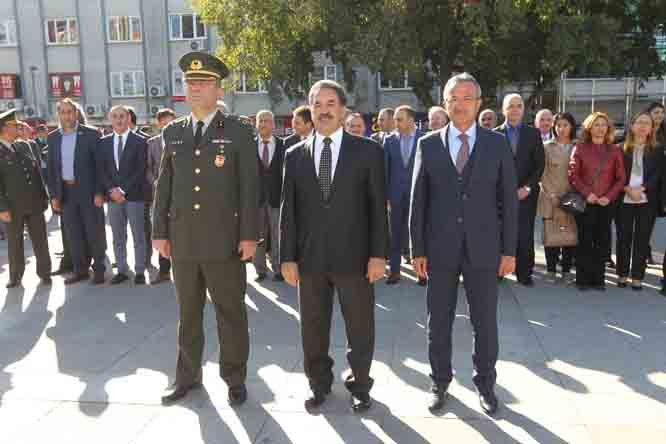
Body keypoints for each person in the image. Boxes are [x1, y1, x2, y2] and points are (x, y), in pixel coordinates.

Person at [153, 52, 258, 406]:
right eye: (190, 82)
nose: (196, 88)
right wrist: (159, 231)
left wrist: (248, 235)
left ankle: (234, 377)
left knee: (230, 312)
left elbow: (249, 189)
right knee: (188, 314)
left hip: (224, 241)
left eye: (204, 83)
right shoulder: (173, 132)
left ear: (218, 88)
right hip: (182, 241)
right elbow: (163, 186)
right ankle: (187, 376)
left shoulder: (240, 132)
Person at [410, 73, 518, 415]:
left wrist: (509, 251)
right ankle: (439, 382)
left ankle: (485, 383)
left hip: (484, 249)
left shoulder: (497, 143)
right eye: (453, 97)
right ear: (445, 103)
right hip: (439, 249)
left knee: (485, 322)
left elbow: (509, 203)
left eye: (467, 97)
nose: (460, 103)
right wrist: (418, 250)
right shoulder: (427, 143)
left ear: (479, 103)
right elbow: (418, 201)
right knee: (437, 321)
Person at [280, 79, 388, 413]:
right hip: (310, 260)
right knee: (312, 327)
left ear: (343, 110)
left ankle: (360, 384)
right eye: (317, 104)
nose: (324, 110)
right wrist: (286, 258)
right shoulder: (294, 155)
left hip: (355, 259)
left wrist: (378, 255)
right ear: (310, 110)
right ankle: (319, 384)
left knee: (360, 327)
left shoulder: (368, 151)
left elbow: (376, 209)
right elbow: (289, 211)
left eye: (330, 104)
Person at [47, 98, 107, 285]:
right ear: (59, 115)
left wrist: (99, 192)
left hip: (89, 192)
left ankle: (99, 270)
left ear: (76, 113)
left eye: (70, 111)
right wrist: (54, 196)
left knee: (94, 232)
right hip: (66, 192)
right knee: (74, 234)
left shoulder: (91, 134)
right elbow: (51, 169)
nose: (66, 115)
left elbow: (100, 166)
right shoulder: (53, 137)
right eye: (63, 112)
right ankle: (80, 270)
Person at [568, 112, 626, 291]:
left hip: (605, 203)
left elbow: (621, 178)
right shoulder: (580, 148)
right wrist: (587, 193)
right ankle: (582, 279)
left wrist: (608, 197)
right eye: (596, 124)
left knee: (602, 240)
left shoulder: (614, 150)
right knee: (585, 240)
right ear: (589, 127)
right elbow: (573, 175)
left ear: (608, 128)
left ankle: (599, 279)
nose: (600, 128)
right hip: (587, 202)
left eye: (603, 125)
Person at [496, 94, 545, 286]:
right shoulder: (494, 134)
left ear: (523, 109)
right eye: (511, 106)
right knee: (499, 233)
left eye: (518, 106)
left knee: (524, 234)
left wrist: (528, 187)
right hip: (500, 195)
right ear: (504, 110)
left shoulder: (533, 134)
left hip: (526, 194)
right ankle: (498, 271)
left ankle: (524, 273)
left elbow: (539, 165)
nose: (515, 110)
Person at [97, 105, 148, 285]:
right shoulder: (102, 143)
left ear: (128, 118)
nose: (119, 120)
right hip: (112, 198)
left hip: (134, 196)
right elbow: (101, 170)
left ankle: (140, 270)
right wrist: (112, 190)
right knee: (118, 236)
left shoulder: (141, 141)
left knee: (138, 235)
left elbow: (140, 169)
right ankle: (122, 270)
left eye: (122, 116)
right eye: (115, 116)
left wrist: (123, 190)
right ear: (110, 119)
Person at [0, 110, 52, 287]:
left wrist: (44, 198)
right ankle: (15, 276)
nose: (19, 128)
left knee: (40, 239)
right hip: (12, 207)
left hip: (34, 202)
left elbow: (36, 173)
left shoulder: (23, 146)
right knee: (15, 243)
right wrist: (2, 209)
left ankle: (45, 272)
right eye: (15, 125)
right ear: (4, 128)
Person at [615, 112, 662, 291]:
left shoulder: (657, 149)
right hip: (624, 198)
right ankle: (622, 274)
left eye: (647, 123)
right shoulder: (620, 148)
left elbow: (657, 175)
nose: (643, 126)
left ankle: (637, 276)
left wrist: (641, 190)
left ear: (651, 129)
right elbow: (616, 174)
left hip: (646, 200)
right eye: (639, 122)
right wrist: (627, 189)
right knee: (623, 238)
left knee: (642, 239)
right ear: (632, 126)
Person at [384, 105, 425, 285]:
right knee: (396, 233)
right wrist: (386, 196)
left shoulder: (425, 139)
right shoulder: (389, 140)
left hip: (419, 195)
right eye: (395, 119)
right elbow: (385, 170)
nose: (396, 123)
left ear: (411, 120)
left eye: (399, 119)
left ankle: (422, 273)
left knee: (419, 233)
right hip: (396, 195)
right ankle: (394, 271)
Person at [537, 112, 578, 283]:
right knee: (551, 233)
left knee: (570, 233)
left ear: (572, 127)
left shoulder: (577, 146)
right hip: (550, 195)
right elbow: (541, 173)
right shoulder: (546, 147)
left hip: (572, 197)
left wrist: (571, 195)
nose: (561, 129)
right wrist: (550, 194)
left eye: (565, 125)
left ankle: (567, 269)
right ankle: (551, 269)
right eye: (558, 125)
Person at [253, 109, 285, 282]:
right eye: (260, 121)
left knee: (277, 234)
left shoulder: (283, 145)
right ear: (256, 124)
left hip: (276, 198)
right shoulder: (249, 145)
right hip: (256, 200)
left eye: (267, 120)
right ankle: (260, 270)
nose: (263, 124)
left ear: (273, 124)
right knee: (259, 235)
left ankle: (278, 269)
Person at [146, 108, 176, 284]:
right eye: (164, 123)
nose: (167, 126)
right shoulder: (152, 143)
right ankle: (163, 271)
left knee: (180, 233)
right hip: (158, 196)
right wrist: (155, 182)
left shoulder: (183, 142)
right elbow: (147, 168)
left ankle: (183, 271)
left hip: (179, 196)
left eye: (170, 122)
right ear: (159, 124)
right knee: (160, 231)